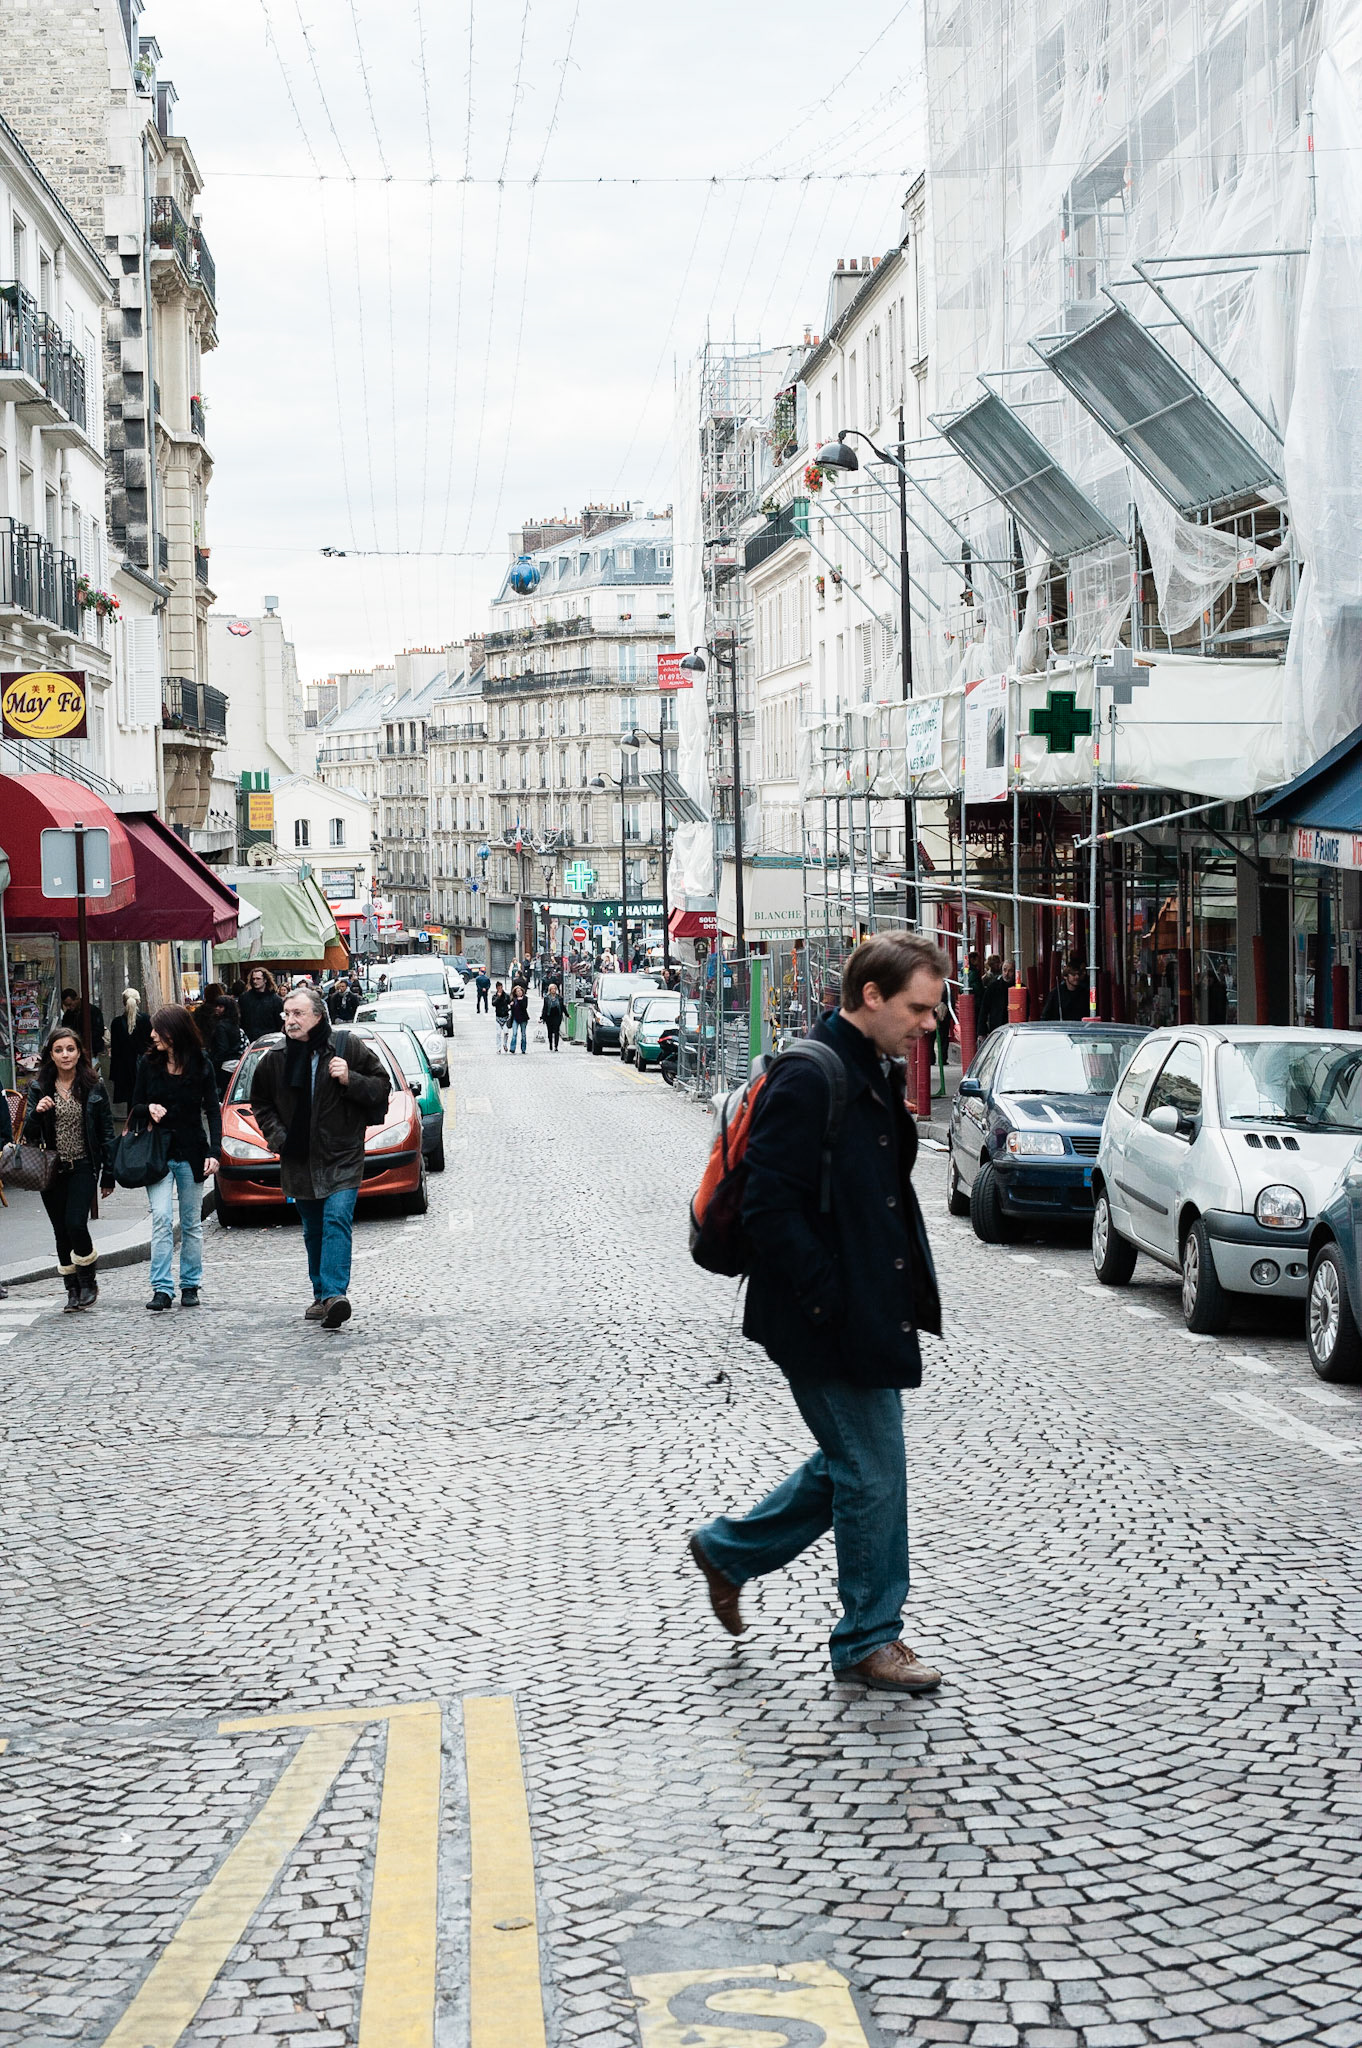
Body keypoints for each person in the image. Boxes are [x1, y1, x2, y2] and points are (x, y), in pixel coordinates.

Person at [687, 931, 947, 1695]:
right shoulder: (813, 1076)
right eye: (919, 1008)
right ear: (871, 997)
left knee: (857, 1468)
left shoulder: (868, 1066)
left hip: (864, 1307)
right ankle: (867, 1638)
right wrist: (829, 1299)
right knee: (872, 1474)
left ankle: (730, 1550)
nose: (930, 1025)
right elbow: (770, 1208)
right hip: (824, 1318)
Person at [249, 985, 390, 1331]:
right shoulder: (275, 1059)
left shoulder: (346, 1047)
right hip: (298, 1158)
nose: (290, 1021)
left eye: (297, 1014)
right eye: (287, 1014)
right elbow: (261, 1104)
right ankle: (320, 1293)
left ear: (317, 1016)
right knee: (313, 1230)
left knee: (337, 1219)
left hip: (342, 1154)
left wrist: (350, 1078)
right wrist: (280, 1139)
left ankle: (334, 1295)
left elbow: (381, 1086)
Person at [131, 1004, 222, 1311]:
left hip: (192, 1150)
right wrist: (149, 1109)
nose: (153, 1034)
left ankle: (190, 1284)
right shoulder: (148, 1063)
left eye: (159, 1029)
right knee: (160, 1218)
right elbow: (135, 1106)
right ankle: (161, 1288)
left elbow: (212, 1109)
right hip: (157, 1152)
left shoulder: (201, 1062)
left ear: (175, 1031)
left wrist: (214, 1151)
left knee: (192, 1223)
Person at [25, 1023, 117, 1310]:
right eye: (59, 1050)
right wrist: (38, 1114)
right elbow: (28, 1134)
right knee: (60, 1231)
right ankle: (72, 1289)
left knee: (76, 1223)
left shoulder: (93, 1086)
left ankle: (88, 1281)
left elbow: (106, 1133)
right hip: (51, 1169)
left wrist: (109, 1174)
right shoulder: (39, 1088)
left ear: (79, 1053)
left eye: (70, 1049)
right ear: (51, 1055)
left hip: (83, 1166)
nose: (65, 1055)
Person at [109, 988, 152, 1110]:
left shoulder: (116, 1023)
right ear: (138, 1001)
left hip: (124, 1069)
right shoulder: (146, 1020)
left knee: (131, 1104)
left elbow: (115, 1050)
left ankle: (131, 1127)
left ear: (124, 1002)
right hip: (143, 1066)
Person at [204, 993, 248, 1101]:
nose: (217, 1009)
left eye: (220, 1007)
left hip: (225, 1065)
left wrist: (214, 1061)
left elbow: (222, 1048)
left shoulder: (221, 1026)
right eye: (217, 1006)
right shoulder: (234, 1024)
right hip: (236, 1062)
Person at [239, 966, 285, 1041]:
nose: (255, 981)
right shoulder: (244, 998)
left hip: (269, 1039)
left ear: (265, 980)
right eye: (253, 979)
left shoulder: (275, 1000)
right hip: (249, 1038)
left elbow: (279, 1023)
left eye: (258, 979)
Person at [60, 986, 106, 1057]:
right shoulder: (68, 1015)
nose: (68, 1008)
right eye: (66, 1006)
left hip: (93, 1049)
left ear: (77, 999)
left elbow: (99, 1031)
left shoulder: (93, 1011)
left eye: (70, 1004)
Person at [978, 954, 1009, 1039]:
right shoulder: (988, 979)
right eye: (996, 962)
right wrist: (982, 1030)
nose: (998, 964)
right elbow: (984, 1007)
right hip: (995, 1017)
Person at [541, 981, 565, 1052]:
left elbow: (562, 1007)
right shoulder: (547, 998)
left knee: (556, 1030)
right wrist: (542, 1017)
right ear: (550, 990)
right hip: (549, 1016)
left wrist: (567, 1014)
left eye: (554, 989)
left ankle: (556, 1046)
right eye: (552, 989)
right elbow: (545, 1008)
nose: (553, 990)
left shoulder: (559, 998)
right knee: (550, 1031)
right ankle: (550, 1043)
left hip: (557, 1016)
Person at [508, 982, 530, 1055]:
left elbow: (524, 1007)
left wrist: (520, 1001)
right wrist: (511, 1005)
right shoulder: (513, 999)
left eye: (520, 991)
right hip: (515, 1018)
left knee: (523, 1034)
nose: (519, 992)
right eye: (517, 991)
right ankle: (512, 1048)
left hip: (523, 1018)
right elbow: (512, 1009)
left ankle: (523, 1049)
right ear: (515, 993)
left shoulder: (525, 998)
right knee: (514, 1033)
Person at [491, 980, 512, 1052]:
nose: (500, 989)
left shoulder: (506, 995)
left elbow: (510, 1002)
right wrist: (498, 997)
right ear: (496, 988)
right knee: (498, 1033)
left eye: (501, 987)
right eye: (499, 988)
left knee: (506, 1032)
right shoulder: (494, 996)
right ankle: (498, 1048)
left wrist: (509, 1008)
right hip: (498, 1017)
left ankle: (505, 1044)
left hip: (505, 1016)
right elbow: (493, 1004)